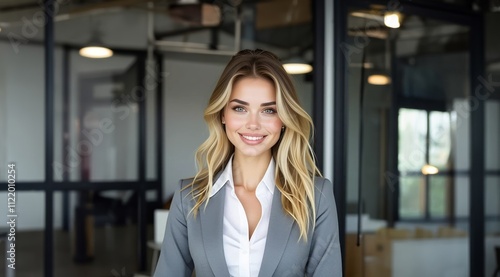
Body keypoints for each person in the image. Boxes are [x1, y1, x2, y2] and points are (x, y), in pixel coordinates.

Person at [153, 49, 342, 277]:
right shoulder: (189, 197)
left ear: (283, 119)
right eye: (240, 108)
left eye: (268, 110)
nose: (253, 124)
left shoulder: (316, 197)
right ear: (223, 114)